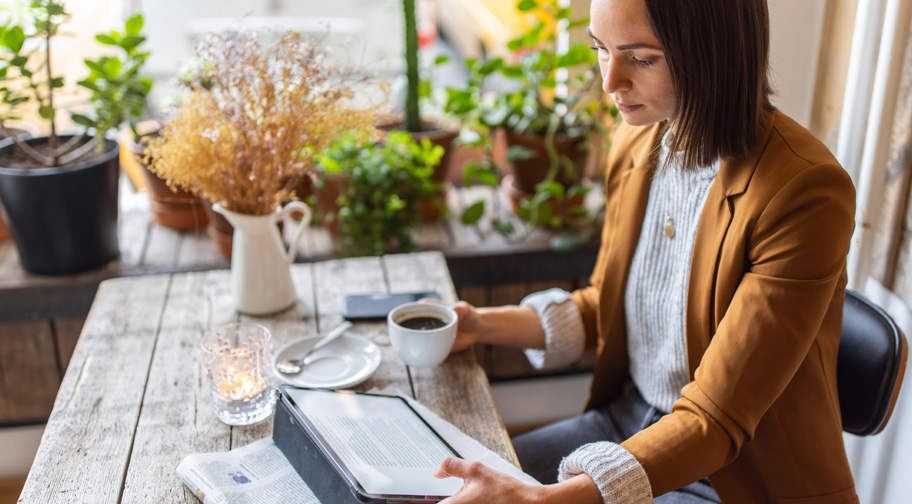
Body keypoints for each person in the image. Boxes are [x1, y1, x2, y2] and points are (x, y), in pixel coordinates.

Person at [429, 0, 858, 502]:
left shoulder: (803, 191)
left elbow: (715, 420)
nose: (611, 81)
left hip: (735, 475)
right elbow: (607, 305)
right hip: (628, 421)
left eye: (642, 58)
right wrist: (484, 325)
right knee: (443, 486)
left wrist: (537, 500)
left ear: (713, 55)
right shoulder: (639, 141)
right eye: (600, 49)